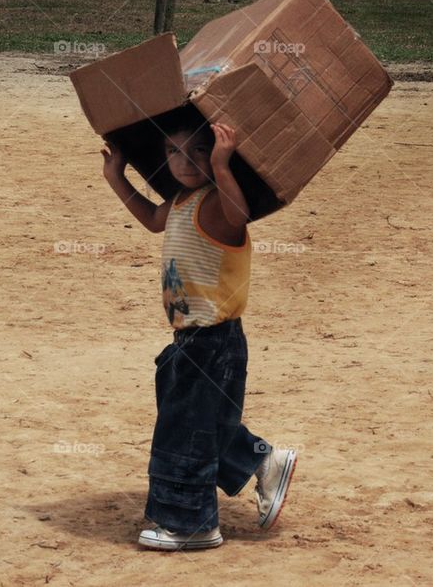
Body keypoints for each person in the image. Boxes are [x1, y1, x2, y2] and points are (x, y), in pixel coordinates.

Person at [101, 107, 298, 551]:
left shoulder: (217, 204)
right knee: (201, 419)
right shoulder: (179, 201)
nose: (185, 161)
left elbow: (239, 213)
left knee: (184, 427)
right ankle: (263, 461)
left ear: (217, 155)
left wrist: (224, 166)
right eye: (174, 151)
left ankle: (190, 524)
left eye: (199, 151)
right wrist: (116, 176)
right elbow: (153, 220)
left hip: (214, 339)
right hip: (189, 338)